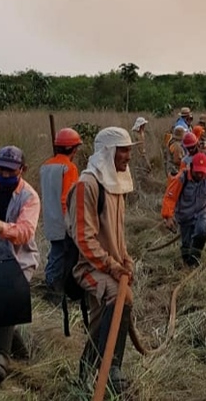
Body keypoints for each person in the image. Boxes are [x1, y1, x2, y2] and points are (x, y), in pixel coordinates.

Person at [66, 127, 137, 393]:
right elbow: (84, 239)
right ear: (108, 152)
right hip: (88, 267)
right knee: (121, 299)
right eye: (123, 149)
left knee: (101, 324)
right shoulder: (88, 184)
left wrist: (125, 259)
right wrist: (112, 266)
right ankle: (112, 369)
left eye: (129, 149)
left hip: (112, 267)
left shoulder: (116, 184)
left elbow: (117, 232)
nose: (128, 156)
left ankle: (87, 377)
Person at [0, 145, 40, 383]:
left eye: (10, 171)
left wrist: (0, 226)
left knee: (5, 297)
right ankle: (19, 349)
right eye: (1, 170)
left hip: (18, 258)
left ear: (22, 170)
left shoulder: (29, 197)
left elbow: (25, 232)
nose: (4, 175)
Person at [161, 152, 206, 267]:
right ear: (191, 167)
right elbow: (170, 197)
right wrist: (168, 216)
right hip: (185, 215)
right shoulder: (181, 178)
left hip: (203, 212)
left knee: (202, 231)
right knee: (186, 245)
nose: (200, 175)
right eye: (197, 172)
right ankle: (187, 262)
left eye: (202, 172)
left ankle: (195, 261)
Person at [40, 128, 82, 302]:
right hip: (63, 221)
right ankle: (54, 289)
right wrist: (71, 223)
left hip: (50, 217)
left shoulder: (45, 166)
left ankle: (55, 285)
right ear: (73, 149)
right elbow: (68, 197)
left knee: (57, 253)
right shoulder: (69, 168)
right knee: (64, 255)